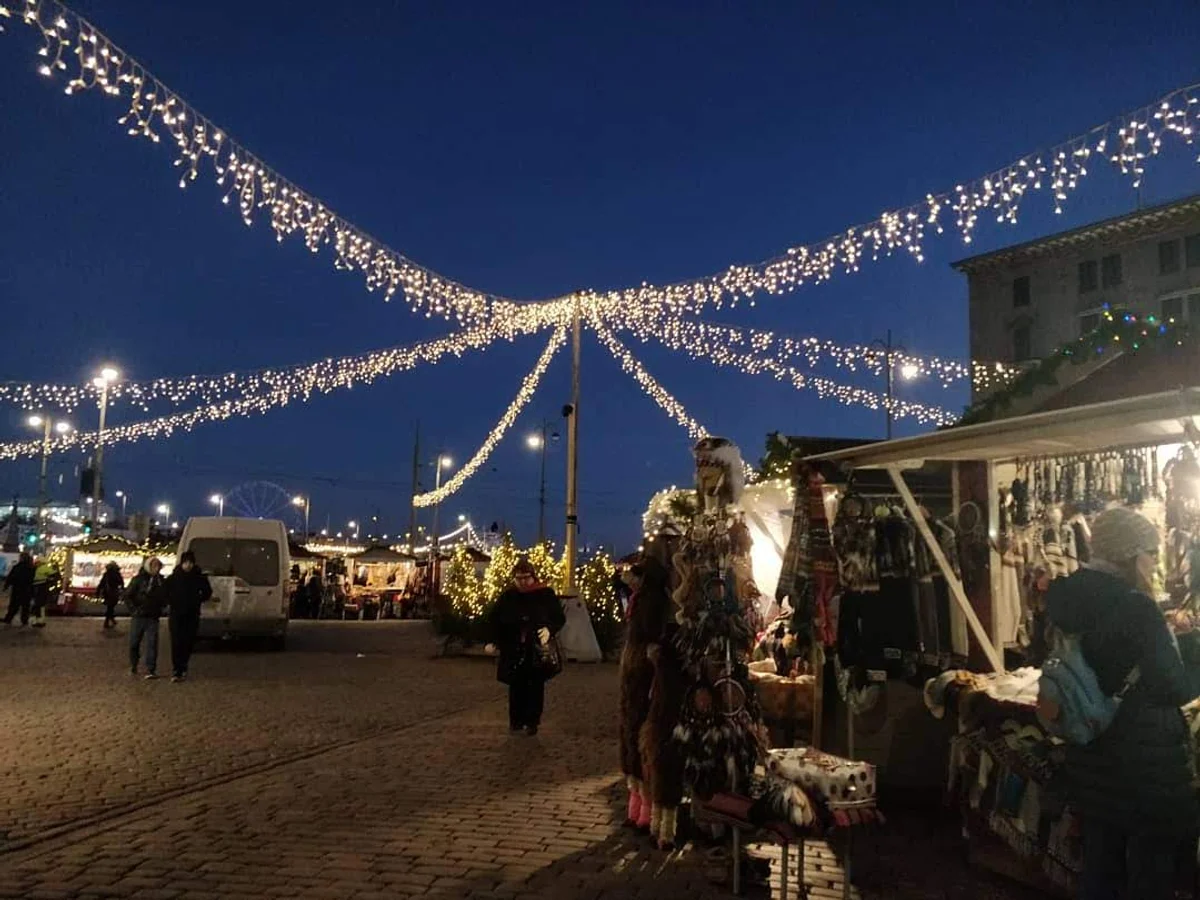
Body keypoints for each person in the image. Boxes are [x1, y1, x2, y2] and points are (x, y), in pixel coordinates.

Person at [1044, 506, 1196, 900]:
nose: (1156, 561)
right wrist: (1191, 646)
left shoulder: (1064, 594)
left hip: (1091, 752)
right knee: (1150, 872)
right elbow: (1175, 686)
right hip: (1145, 765)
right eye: (1151, 552)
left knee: (1100, 865)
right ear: (1130, 554)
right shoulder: (1136, 607)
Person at [489, 558, 566, 736]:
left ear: (533, 577)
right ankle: (516, 721)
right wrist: (494, 640)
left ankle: (532, 722)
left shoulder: (545, 594)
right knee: (516, 686)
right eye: (519, 578)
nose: (523, 582)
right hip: (514, 647)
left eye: (526, 578)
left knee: (535, 686)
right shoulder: (508, 596)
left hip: (536, 648)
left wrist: (549, 629)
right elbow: (495, 619)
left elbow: (558, 617)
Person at [165, 551, 213, 682]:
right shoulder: (174, 577)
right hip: (176, 614)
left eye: (190, 563)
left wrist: (198, 599)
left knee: (188, 642)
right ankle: (176, 670)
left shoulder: (199, 577)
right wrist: (171, 601)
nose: (188, 565)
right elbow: (165, 591)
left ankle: (183, 666)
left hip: (192, 614)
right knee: (176, 642)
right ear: (182, 563)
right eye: (186, 562)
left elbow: (207, 592)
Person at [125, 557, 167, 679]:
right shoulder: (138, 580)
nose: (156, 568)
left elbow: (164, 597)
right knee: (134, 642)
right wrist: (134, 610)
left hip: (153, 616)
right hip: (139, 616)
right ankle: (134, 664)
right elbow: (128, 595)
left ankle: (151, 669)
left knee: (152, 643)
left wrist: (162, 606)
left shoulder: (160, 581)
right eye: (154, 566)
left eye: (158, 566)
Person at [2, 552, 36, 627]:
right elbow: (33, 579)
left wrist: (6, 586)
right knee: (25, 606)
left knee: (14, 605)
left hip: (17, 589)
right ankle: (24, 620)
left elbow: (11, 577)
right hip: (27, 590)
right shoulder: (32, 568)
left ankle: (9, 618)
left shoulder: (17, 567)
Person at [97, 561, 124, 629]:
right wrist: (122, 590)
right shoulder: (117, 574)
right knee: (111, 607)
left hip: (107, 593)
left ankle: (110, 620)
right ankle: (108, 621)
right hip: (114, 593)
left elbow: (102, 583)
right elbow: (121, 582)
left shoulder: (106, 574)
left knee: (110, 607)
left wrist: (98, 591)